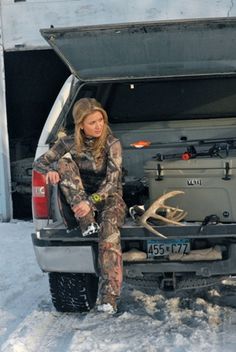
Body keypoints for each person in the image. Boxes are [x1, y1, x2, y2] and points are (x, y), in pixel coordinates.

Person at [33, 98, 127, 314]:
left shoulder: (112, 143)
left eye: (100, 120)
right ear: (80, 125)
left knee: (109, 232)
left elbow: (112, 183)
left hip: (108, 198)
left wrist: (90, 203)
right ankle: (87, 223)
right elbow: (39, 163)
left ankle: (108, 298)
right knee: (63, 163)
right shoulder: (67, 143)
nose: (98, 126)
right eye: (92, 122)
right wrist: (50, 171)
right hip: (80, 201)